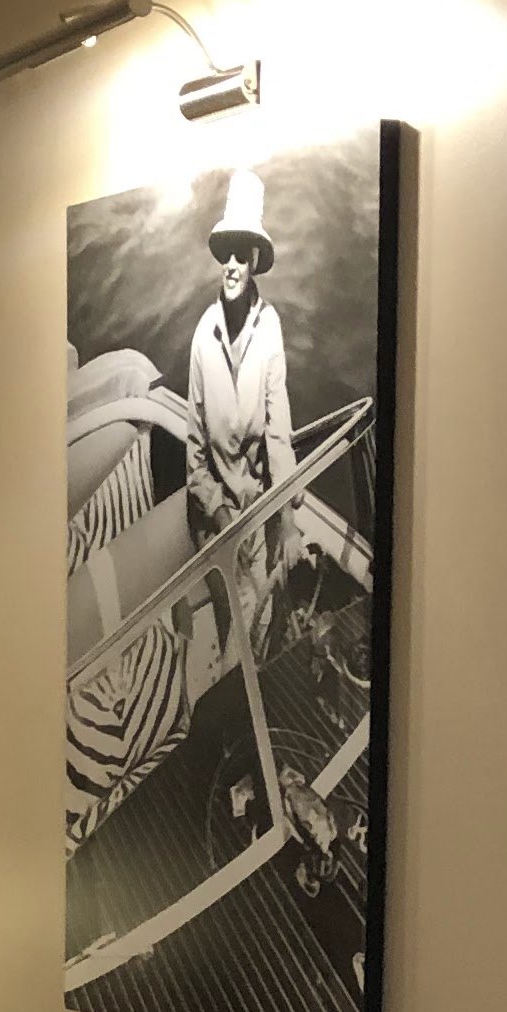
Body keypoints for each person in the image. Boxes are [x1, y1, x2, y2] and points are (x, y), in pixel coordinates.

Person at [185, 167, 297, 657]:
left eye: (240, 254)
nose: (230, 265)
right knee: (236, 640)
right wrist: (221, 513)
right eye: (224, 253)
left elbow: (278, 434)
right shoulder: (202, 337)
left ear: (254, 260)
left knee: (261, 630)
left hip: (257, 511)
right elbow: (194, 460)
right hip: (217, 520)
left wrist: (287, 520)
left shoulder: (270, 329)